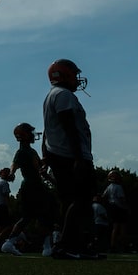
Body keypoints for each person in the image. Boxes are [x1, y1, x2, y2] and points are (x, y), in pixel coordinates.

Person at [41, 59, 97, 260]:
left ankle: (77, 245)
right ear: (63, 75)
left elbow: (48, 132)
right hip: (69, 154)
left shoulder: (52, 95)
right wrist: (79, 158)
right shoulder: (64, 95)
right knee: (80, 200)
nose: (77, 79)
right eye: (74, 74)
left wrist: (46, 155)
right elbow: (69, 127)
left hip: (59, 154)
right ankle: (65, 245)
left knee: (71, 201)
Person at [0, 123, 56, 257]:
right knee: (43, 216)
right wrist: (12, 173)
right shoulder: (22, 152)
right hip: (33, 187)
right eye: (30, 133)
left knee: (32, 217)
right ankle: (47, 246)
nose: (33, 135)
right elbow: (15, 164)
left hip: (33, 186)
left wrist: (47, 160)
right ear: (24, 135)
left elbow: (39, 164)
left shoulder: (31, 151)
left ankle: (10, 242)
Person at [103, 170, 130, 253]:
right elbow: (122, 199)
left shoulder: (109, 187)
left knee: (115, 228)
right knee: (122, 227)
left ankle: (112, 246)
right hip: (119, 208)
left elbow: (103, 196)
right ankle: (124, 246)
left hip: (112, 207)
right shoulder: (118, 187)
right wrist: (127, 208)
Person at [0, 167, 15, 244]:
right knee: (9, 226)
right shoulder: (5, 183)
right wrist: (9, 208)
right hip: (2, 206)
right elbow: (6, 196)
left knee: (0, 226)